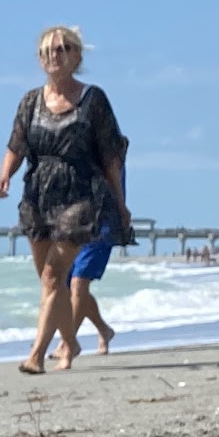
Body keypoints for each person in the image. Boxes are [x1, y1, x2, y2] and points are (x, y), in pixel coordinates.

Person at [0, 25, 131, 375]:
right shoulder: (30, 100)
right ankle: (71, 343)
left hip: (81, 194)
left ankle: (36, 354)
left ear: (77, 56)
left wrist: (120, 201)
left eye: (63, 49)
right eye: (47, 51)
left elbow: (112, 155)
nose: (54, 56)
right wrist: (5, 175)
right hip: (38, 194)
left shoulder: (93, 100)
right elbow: (16, 145)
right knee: (51, 279)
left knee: (54, 277)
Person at [58, 136, 133, 358]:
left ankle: (67, 343)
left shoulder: (112, 158)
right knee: (69, 286)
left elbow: (121, 144)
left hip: (104, 227)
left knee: (78, 284)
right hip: (77, 225)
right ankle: (104, 329)